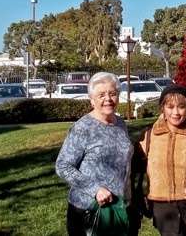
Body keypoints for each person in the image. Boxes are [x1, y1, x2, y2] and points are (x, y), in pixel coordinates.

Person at [56, 72, 133, 235]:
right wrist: (95, 189)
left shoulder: (120, 123)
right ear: (92, 100)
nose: (108, 99)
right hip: (88, 210)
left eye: (112, 94)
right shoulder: (83, 128)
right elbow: (63, 166)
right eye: (101, 95)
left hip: (118, 208)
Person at [134, 85, 186, 236]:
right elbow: (135, 169)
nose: (175, 112)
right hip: (161, 205)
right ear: (163, 108)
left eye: (181, 107)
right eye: (170, 107)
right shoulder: (149, 136)